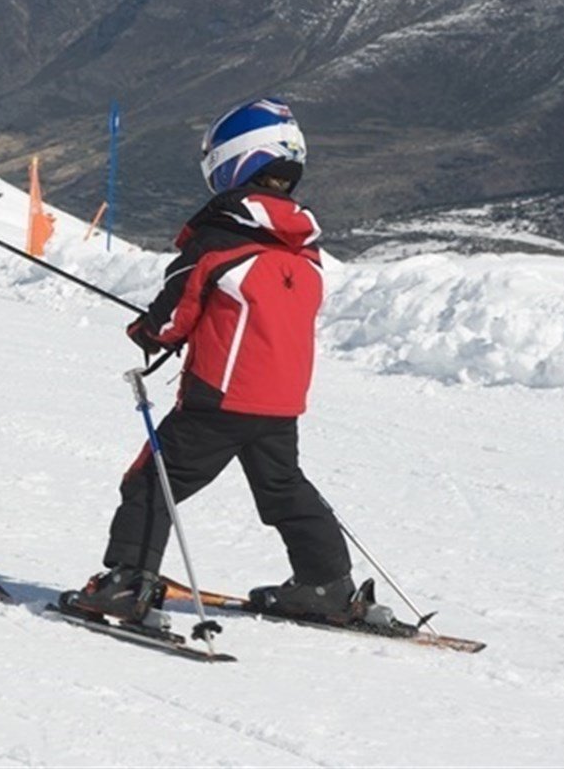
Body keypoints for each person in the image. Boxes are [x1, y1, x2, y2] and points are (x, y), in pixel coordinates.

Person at [65, 98, 368, 627]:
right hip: (279, 402)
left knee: (151, 481)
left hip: (218, 398)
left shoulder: (219, 236)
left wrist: (148, 332)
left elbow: (173, 315)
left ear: (233, 161)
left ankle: (128, 585)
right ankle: (328, 585)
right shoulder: (305, 247)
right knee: (284, 489)